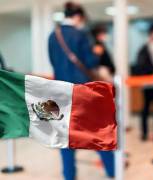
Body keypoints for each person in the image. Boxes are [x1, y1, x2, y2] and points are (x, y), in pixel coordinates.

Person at [48, 2, 114, 179]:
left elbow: (53, 62)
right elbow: (91, 62)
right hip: (81, 91)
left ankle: (69, 175)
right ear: (78, 17)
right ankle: (112, 170)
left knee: (65, 136)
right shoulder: (80, 35)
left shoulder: (52, 36)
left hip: (59, 91)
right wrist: (98, 51)